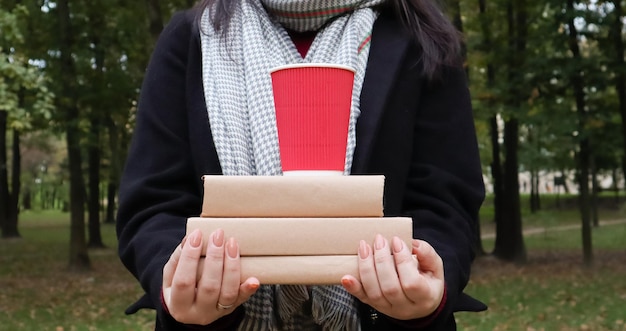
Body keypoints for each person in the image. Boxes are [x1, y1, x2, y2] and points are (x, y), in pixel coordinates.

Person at [116, 0, 487, 330]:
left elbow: (447, 202)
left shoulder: (422, 37)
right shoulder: (192, 37)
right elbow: (153, 203)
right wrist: (184, 284)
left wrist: (423, 294)